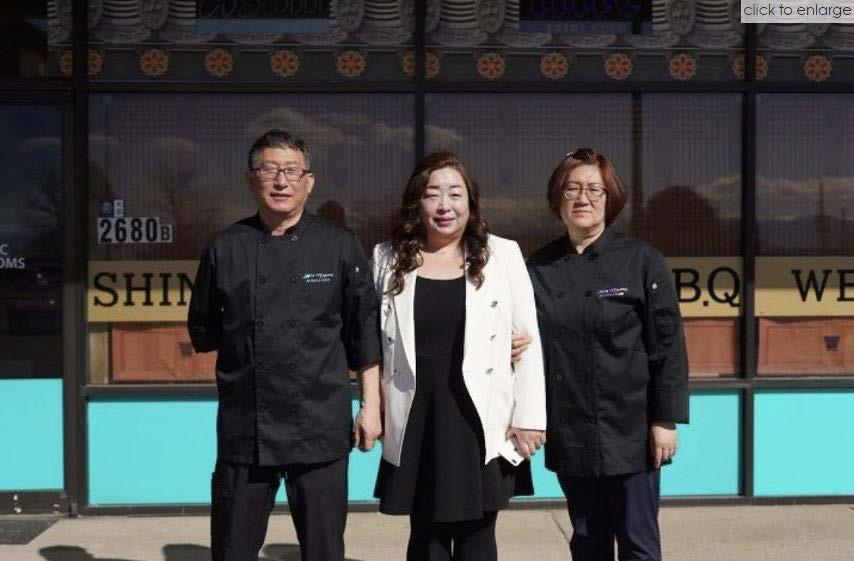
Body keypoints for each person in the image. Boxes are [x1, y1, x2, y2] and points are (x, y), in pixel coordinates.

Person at [187, 129, 382, 561]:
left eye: (292, 171)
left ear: (309, 182)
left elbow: (364, 333)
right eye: (270, 170)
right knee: (233, 549)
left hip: (320, 423)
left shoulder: (340, 245)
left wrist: (370, 408)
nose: (281, 181)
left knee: (324, 551)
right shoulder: (224, 248)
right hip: (246, 426)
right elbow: (204, 329)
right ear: (250, 179)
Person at [370, 151, 546, 561]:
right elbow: (374, 340)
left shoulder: (502, 254)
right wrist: (371, 407)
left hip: (479, 414)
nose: (444, 205)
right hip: (417, 415)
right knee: (425, 537)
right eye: (433, 194)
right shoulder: (387, 257)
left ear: (471, 201)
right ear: (417, 202)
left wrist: (530, 418)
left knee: (478, 536)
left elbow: (529, 342)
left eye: (455, 193)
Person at [527, 148, 689, 561]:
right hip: (570, 430)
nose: (583, 198)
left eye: (594, 189)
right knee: (587, 542)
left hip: (631, 431)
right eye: (572, 189)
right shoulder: (538, 267)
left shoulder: (642, 260)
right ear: (558, 198)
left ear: (610, 198)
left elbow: (667, 346)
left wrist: (665, 420)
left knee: (639, 543)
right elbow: (525, 338)